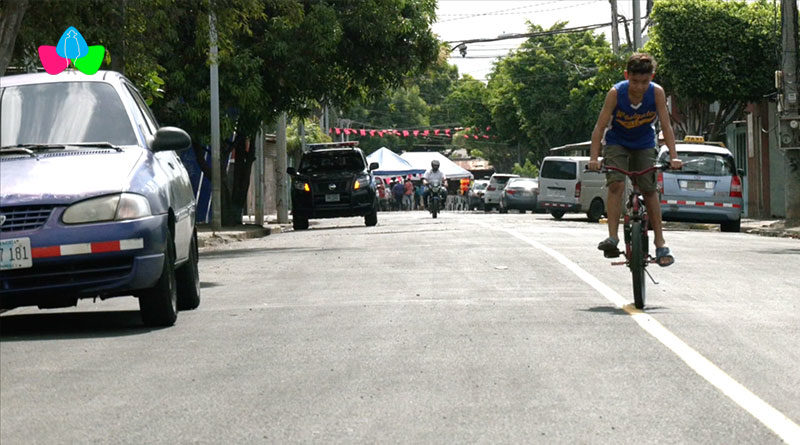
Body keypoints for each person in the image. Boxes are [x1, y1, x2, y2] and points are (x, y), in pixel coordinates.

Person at [588, 52, 682, 267]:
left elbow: (666, 127)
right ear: (626, 75)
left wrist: (674, 157)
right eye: (635, 81)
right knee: (616, 184)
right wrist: (594, 158)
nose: (639, 87)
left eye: (644, 81)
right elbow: (600, 127)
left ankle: (660, 244)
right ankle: (613, 237)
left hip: (644, 144)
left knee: (649, 190)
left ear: (652, 77)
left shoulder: (656, 93)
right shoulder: (615, 93)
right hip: (617, 143)